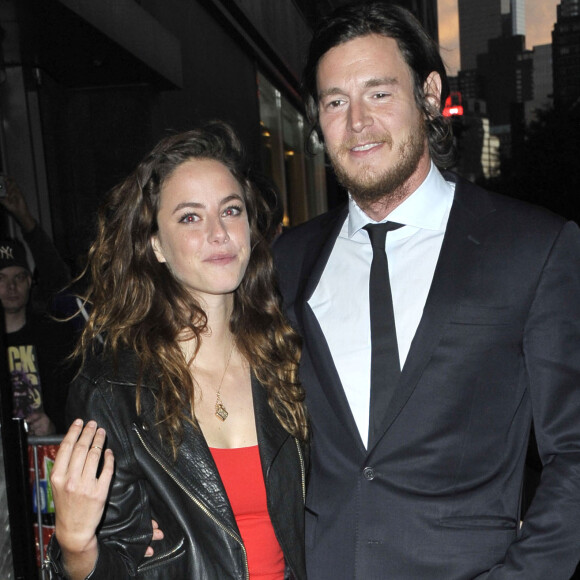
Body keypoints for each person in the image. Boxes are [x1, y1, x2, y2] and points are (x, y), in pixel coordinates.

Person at [272, 3, 580, 579]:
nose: (357, 121)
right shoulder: (288, 261)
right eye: (336, 101)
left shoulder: (532, 247)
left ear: (430, 94)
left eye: (379, 93)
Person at [45, 121, 308, 579]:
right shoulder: (114, 390)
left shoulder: (289, 355)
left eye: (231, 210)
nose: (219, 233)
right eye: (190, 217)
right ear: (156, 245)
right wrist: (75, 544)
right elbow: (116, 562)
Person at [0, 237, 75, 435]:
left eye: (19, 277)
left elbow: (72, 399)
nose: (11, 286)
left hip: (47, 454)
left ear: (29, 281)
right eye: (1, 278)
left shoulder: (53, 337)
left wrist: (55, 426)